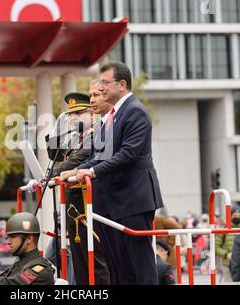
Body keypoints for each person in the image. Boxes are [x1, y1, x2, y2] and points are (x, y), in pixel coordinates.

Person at [60, 62, 164, 284]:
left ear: (122, 85)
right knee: (117, 268)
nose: (101, 87)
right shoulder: (111, 117)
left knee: (139, 266)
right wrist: (75, 171)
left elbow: (128, 154)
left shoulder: (135, 112)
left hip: (132, 201)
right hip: (110, 203)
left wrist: (90, 172)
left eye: (105, 83)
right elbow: (99, 155)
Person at [49, 91, 110, 285]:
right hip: (74, 209)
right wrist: (58, 127)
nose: (73, 119)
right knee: (80, 262)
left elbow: (73, 162)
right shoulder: (74, 138)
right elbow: (54, 153)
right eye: (70, 115)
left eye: (78, 114)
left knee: (96, 262)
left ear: (92, 114)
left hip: (87, 208)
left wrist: (48, 176)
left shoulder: (96, 137)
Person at [215, 204, 240, 282]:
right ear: (230, 216)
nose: (237, 217)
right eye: (235, 215)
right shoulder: (224, 229)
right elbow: (216, 246)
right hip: (227, 264)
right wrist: (226, 254)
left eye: (239, 215)